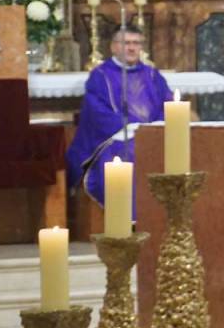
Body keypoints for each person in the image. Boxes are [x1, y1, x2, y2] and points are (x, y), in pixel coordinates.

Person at [65, 28, 173, 206]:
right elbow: (96, 112)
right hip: (114, 139)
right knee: (124, 158)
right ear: (114, 47)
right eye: (126, 43)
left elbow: (168, 104)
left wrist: (155, 127)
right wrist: (131, 127)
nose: (131, 48)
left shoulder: (153, 75)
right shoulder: (100, 75)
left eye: (136, 43)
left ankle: (160, 213)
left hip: (152, 136)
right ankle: (128, 216)